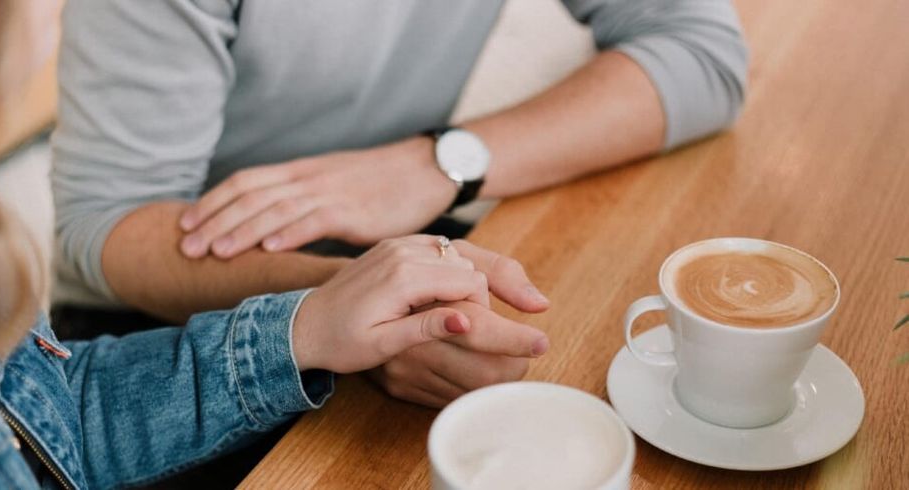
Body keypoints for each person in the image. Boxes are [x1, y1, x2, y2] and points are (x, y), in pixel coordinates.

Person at [0, 1, 549, 487]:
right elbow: (105, 224)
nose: (56, 15)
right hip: (135, 312)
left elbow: (50, 423)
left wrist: (306, 325)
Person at [51, 0, 748, 406]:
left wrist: (441, 161)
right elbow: (105, 223)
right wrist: (344, 307)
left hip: (377, 250)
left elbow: (702, 55)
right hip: (157, 314)